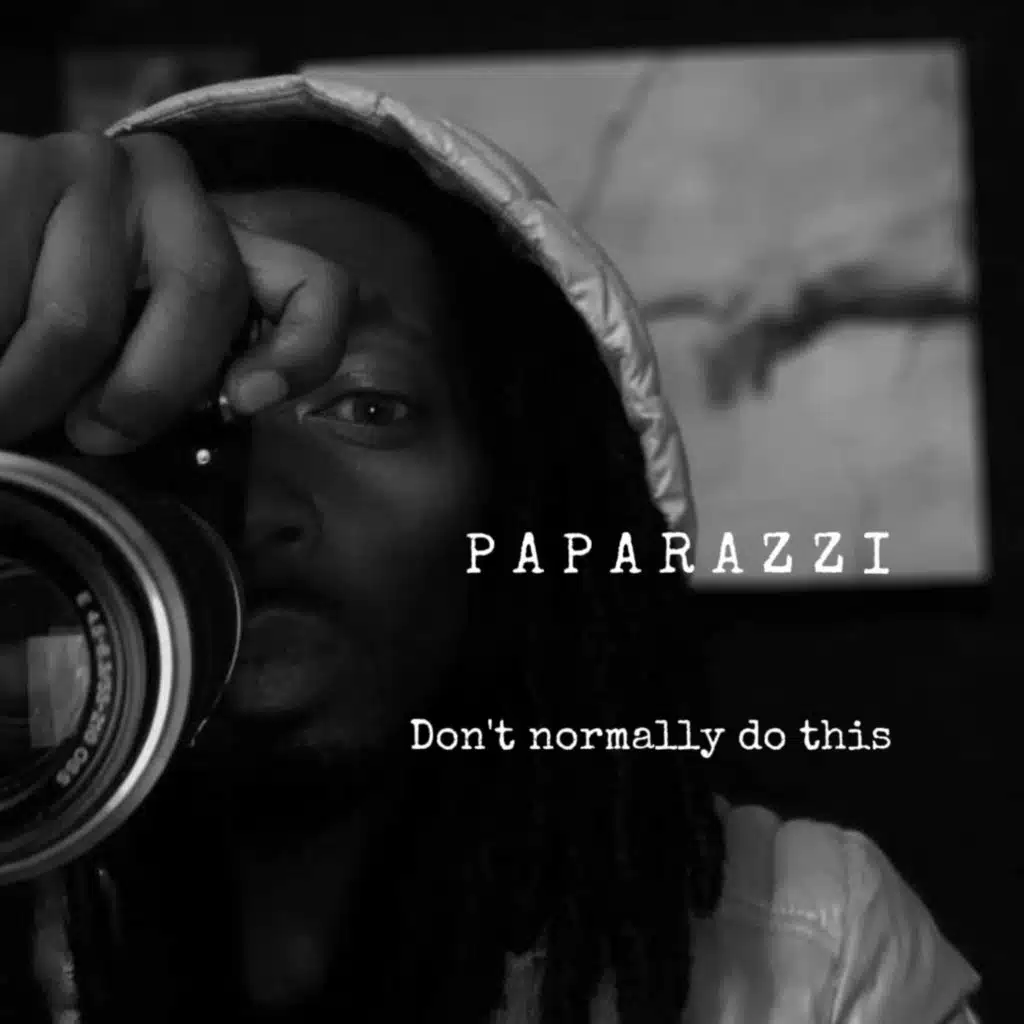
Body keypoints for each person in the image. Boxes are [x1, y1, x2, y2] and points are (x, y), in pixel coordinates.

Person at [0, 73, 981, 1023]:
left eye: (368, 405)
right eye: (167, 412)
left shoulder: (808, 960)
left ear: (517, 496)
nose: (256, 504)